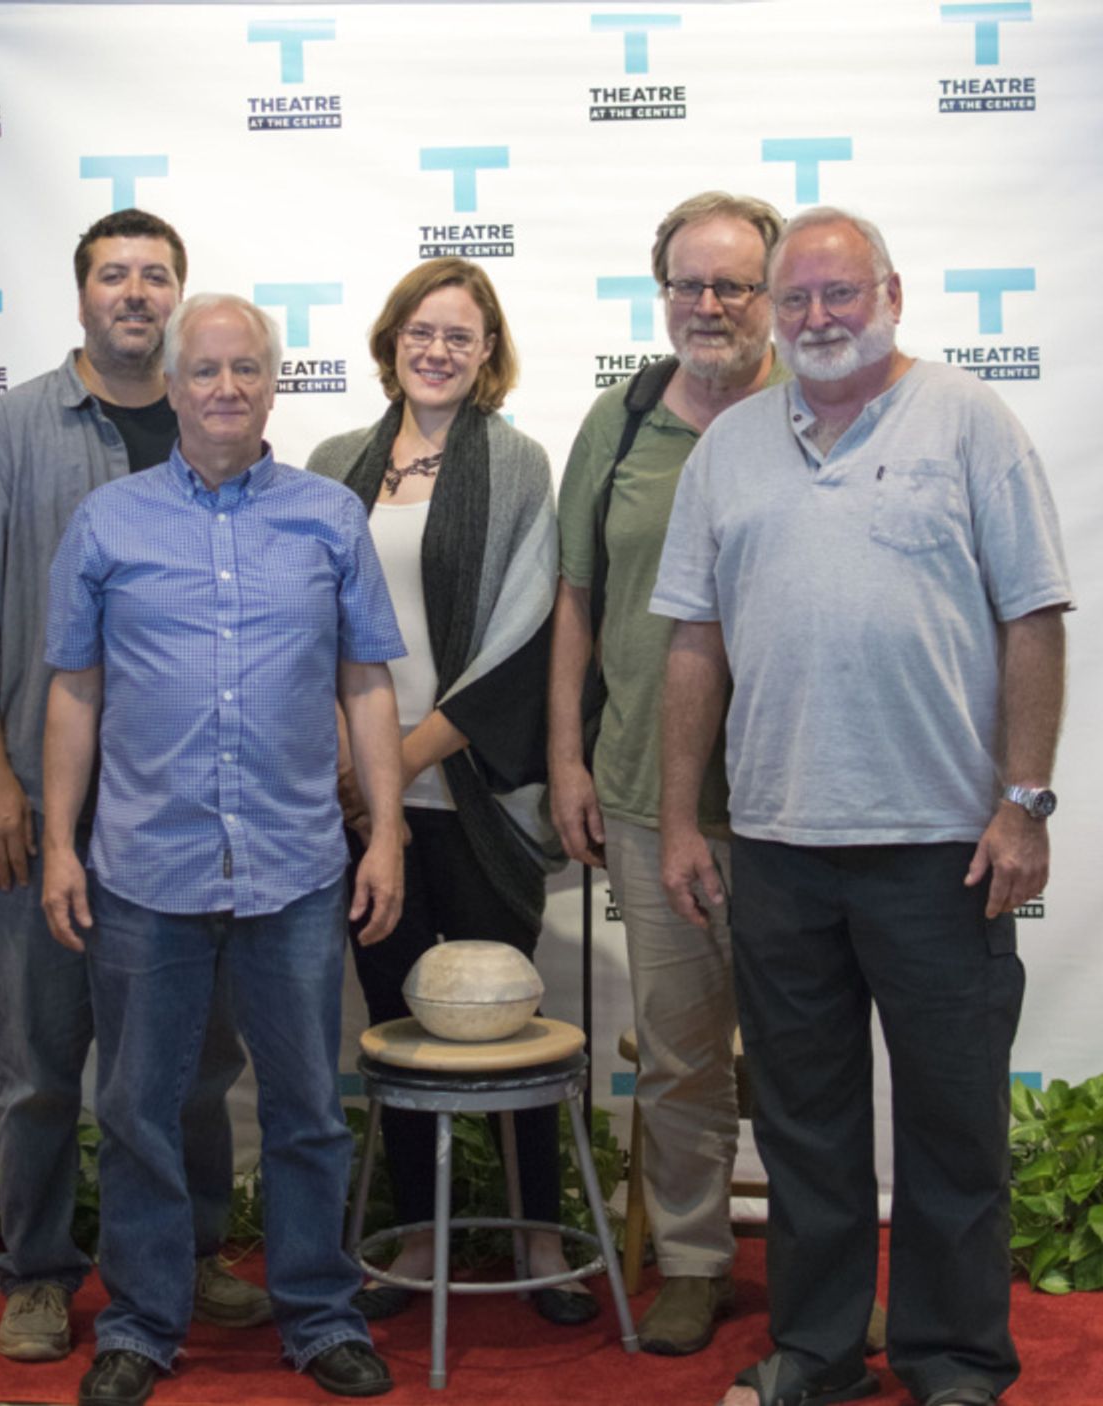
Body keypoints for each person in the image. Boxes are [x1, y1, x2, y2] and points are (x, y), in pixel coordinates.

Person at [654, 206, 1071, 1406]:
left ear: (892, 293)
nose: (820, 319)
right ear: (774, 314)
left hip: (944, 848)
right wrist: (686, 820)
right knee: (805, 1131)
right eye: (798, 301)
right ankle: (818, 1353)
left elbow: (1031, 616)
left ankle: (954, 1361)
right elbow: (694, 645)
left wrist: (1024, 801)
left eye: (842, 295)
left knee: (952, 1131)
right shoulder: (729, 446)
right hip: (778, 849)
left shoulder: (969, 422)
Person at [42, 293, 405, 1404]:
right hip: (145, 867)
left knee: (304, 1106)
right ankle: (143, 1324)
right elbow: (74, 690)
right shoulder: (108, 522)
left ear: (273, 384)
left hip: (295, 865)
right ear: (175, 384)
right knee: (142, 1109)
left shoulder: (329, 517)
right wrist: (60, 841)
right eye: (205, 371)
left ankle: (319, 1313)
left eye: (246, 368)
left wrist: (384, 829)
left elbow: (367, 681)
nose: (225, 389)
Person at [0, 210, 266, 1362]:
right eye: (113, 275)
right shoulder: (9, 431)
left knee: (191, 1065)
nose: (135, 293)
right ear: (79, 297)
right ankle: (37, 1271)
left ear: (179, 297)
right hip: (36, 806)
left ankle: (193, 1249)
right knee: (39, 1066)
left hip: (180, 816)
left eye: (156, 276)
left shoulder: (215, 425)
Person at [307, 258, 585, 1324]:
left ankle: (542, 1238)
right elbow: (306, 619)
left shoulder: (515, 464)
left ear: (488, 352)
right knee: (397, 1020)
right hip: (351, 796)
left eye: (460, 336)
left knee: (506, 1017)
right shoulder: (336, 463)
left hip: (465, 788)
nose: (438, 349)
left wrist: (403, 756)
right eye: (421, 331)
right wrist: (345, 752)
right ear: (391, 341)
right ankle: (414, 1233)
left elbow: (524, 639)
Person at [547, 192, 788, 1355]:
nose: (708, 305)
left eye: (733, 285)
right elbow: (576, 599)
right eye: (687, 284)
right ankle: (693, 1260)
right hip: (650, 794)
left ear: (773, 294)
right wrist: (564, 758)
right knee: (685, 1053)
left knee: (809, 1053)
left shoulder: (820, 406)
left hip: (807, 801)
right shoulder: (623, 419)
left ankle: (820, 1267)